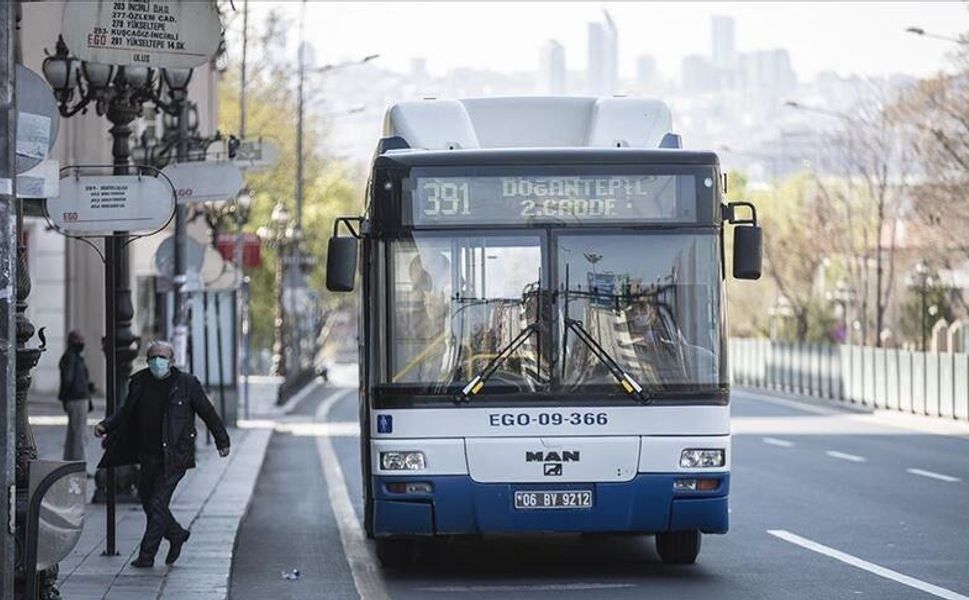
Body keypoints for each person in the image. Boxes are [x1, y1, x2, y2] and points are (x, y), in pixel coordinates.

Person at [94, 340, 230, 568]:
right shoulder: (140, 382)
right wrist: (106, 425)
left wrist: (222, 441)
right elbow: (125, 411)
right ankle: (176, 534)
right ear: (147, 361)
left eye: (162, 357)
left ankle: (146, 556)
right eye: (153, 357)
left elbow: (208, 412)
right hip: (147, 454)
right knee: (148, 501)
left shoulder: (187, 384)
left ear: (172, 361)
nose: (158, 361)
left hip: (175, 455)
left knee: (157, 503)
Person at [58, 330, 92, 462]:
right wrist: (67, 396)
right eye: (79, 340)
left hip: (76, 397)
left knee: (73, 432)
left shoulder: (73, 357)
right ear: (72, 342)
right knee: (79, 433)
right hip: (77, 398)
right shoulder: (71, 357)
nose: (82, 343)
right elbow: (68, 380)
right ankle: (79, 462)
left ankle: (69, 460)